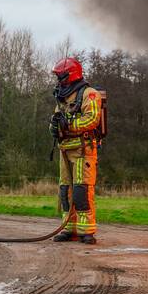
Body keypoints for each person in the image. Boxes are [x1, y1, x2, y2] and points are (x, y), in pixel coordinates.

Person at [50, 57, 103, 243]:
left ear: (70, 74)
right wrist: (54, 126)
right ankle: (69, 227)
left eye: (61, 76)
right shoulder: (63, 96)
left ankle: (86, 230)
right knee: (66, 191)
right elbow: (58, 119)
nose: (59, 81)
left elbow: (92, 119)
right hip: (65, 149)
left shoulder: (90, 94)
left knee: (82, 190)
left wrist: (69, 125)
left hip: (83, 149)